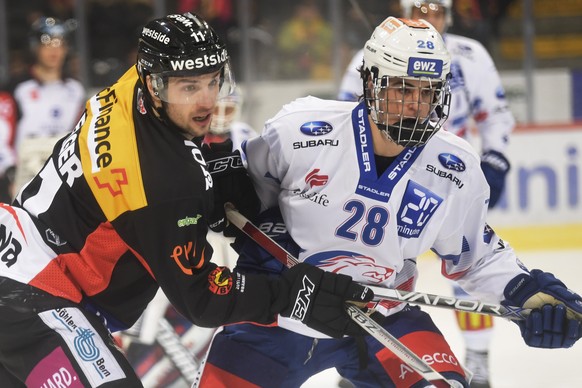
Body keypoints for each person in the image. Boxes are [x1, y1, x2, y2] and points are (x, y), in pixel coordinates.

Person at [197, 17, 582, 388]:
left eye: (428, 91)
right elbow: (242, 208)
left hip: (382, 319)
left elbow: (477, 258)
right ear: (370, 82)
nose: (416, 104)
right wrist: (215, 197)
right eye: (403, 89)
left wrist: (530, 295)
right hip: (276, 319)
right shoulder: (300, 130)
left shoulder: (454, 167)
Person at [0, 12, 373, 386]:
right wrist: (292, 295)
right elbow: (202, 299)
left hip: (16, 251)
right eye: (189, 87)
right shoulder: (163, 183)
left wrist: (209, 167)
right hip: (37, 292)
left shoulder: (131, 86)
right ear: (155, 84)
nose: (207, 101)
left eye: (214, 81)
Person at [338, 2, 515, 386]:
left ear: (448, 17)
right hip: (384, 180)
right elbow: (344, 118)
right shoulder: (375, 51)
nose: (429, 18)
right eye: (421, 9)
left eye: (437, 11)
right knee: (366, 268)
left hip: (446, 181)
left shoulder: (469, 55)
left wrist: (495, 158)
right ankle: (356, 351)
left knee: (467, 264)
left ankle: (479, 355)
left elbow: (495, 113)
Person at [8, 16, 86, 195]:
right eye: (46, 42)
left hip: (61, 173)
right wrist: (10, 173)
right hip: (22, 173)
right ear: (34, 47)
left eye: (59, 43)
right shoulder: (16, 87)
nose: (54, 50)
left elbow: (79, 133)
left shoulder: (76, 89)